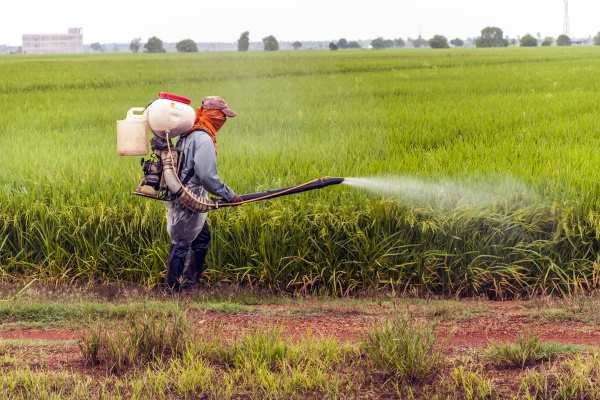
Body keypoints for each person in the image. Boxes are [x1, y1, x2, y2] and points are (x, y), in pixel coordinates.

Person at [165, 96, 241, 291]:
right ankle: (173, 290)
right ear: (215, 115)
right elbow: (206, 176)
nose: (223, 121)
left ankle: (190, 283)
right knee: (181, 243)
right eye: (223, 116)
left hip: (184, 195)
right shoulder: (203, 137)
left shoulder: (189, 133)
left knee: (201, 238)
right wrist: (229, 195)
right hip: (189, 199)